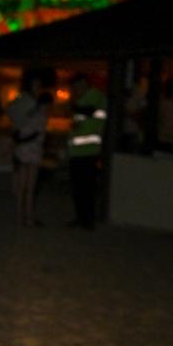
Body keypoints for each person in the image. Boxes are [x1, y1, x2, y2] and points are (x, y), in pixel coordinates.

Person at [7, 69, 49, 226]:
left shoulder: (29, 103)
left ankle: (26, 217)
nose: (37, 87)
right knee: (25, 187)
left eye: (39, 85)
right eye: (35, 84)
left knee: (28, 187)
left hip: (30, 149)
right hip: (27, 150)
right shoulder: (27, 103)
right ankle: (23, 217)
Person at [67, 73, 107, 229]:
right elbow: (80, 123)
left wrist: (74, 107)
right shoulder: (81, 99)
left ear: (84, 84)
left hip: (89, 151)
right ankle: (80, 218)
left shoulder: (97, 96)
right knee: (78, 188)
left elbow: (91, 111)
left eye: (77, 87)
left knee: (88, 187)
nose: (76, 90)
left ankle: (88, 221)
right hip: (77, 151)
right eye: (74, 88)